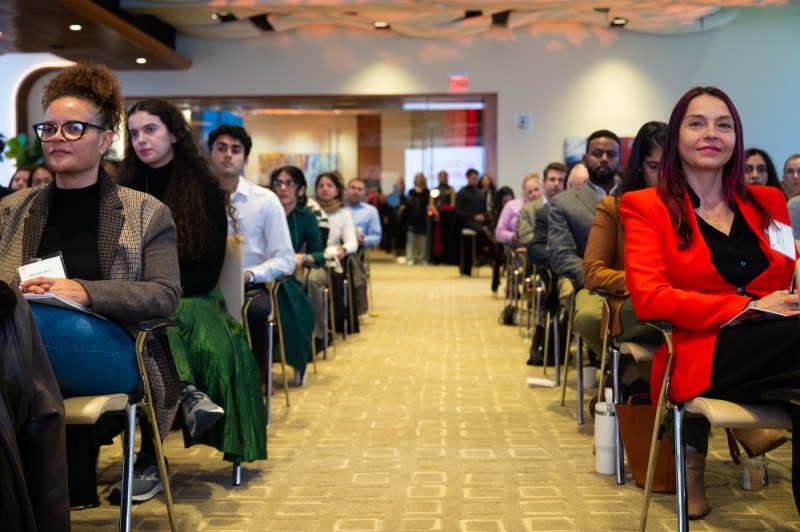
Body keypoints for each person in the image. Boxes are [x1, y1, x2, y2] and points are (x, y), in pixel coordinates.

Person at [0, 63, 182, 507]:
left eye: (73, 128)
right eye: (49, 127)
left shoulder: (145, 212)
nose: (56, 137)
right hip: (20, 352)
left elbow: (166, 295)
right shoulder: (13, 209)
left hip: (114, 352)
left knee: (20, 326)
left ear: (104, 140)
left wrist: (84, 291)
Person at [620, 86, 798, 519]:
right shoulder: (646, 207)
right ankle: (692, 462)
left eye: (724, 124)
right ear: (676, 137)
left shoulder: (768, 201)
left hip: (781, 345)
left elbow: (787, 269)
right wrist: (751, 309)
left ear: (737, 137)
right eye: (696, 123)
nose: (710, 134)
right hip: (704, 350)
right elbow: (649, 298)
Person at [123, 99, 267, 496]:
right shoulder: (120, 189)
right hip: (129, 299)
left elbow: (208, 270)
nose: (140, 140)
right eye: (133, 133)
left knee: (163, 325)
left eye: (150, 129)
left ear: (173, 133)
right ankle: (186, 395)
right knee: (141, 327)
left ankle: (151, 456)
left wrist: (158, 288)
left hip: (192, 298)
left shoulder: (203, 189)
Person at [207, 125, 302, 383]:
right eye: (221, 148)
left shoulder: (265, 200)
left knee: (256, 312)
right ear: (210, 154)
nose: (228, 155)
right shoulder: (198, 197)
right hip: (205, 283)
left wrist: (250, 274)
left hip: (251, 284)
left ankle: (256, 381)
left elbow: (285, 259)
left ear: (245, 159)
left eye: (235, 150)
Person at [0, 272, 70, 531]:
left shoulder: (142, 228)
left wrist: (87, 292)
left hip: (107, 331)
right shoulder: (14, 229)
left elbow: (164, 294)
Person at [548, 130, 621, 363]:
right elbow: (562, 255)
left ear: (619, 159)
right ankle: (617, 368)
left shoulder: (637, 195)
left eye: (611, 154)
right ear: (585, 159)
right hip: (591, 284)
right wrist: (599, 278)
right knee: (588, 318)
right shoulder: (564, 202)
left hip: (635, 281)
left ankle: (629, 375)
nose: (604, 159)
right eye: (597, 153)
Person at [309, 171, 361, 335]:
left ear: (337, 190)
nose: (324, 189)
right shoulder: (309, 210)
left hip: (332, 258)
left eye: (329, 185)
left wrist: (343, 249)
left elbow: (352, 242)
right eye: (321, 186)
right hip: (310, 255)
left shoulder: (343, 214)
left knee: (319, 278)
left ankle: (324, 328)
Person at [516, 162, 566, 248]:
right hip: (539, 257)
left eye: (560, 180)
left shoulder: (569, 207)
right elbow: (524, 237)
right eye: (552, 179)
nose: (556, 183)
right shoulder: (527, 209)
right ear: (544, 182)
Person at [455, 168, 488, 275]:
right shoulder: (461, 193)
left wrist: (483, 216)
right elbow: (458, 212)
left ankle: (488, 256)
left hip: (479, 221)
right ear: (468, 178)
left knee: (491, 231)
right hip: (466, 221)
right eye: (473, 178)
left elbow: (484, 210)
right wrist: (474, 217)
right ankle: (480, 255)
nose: (475, 180)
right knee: (481, 232)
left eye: (476, 178)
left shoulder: (480, 193)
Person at [489, 185, 515, 293]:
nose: (507, 204)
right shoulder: (495, 213)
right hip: (498, 244)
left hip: (513, 242)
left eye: (509, 200)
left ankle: (512, 286)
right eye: (504, 201)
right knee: (500, 255)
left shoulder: (516, 210)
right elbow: (496, 234)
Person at [344, 177, 382, 248]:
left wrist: (364, 240)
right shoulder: (338, 208)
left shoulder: (371, 211)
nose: (356, 192)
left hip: (358, 252)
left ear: (364, 192)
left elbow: (376, 236)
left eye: (359, 189)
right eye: (353, 188)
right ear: (346, 190)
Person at [429, 170, 457, 264]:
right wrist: (437, 213)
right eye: (441, 176)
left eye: (444, 176)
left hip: (448, 217)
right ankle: (437, 259)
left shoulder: (451, 189)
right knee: (437, 239)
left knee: (448, 237)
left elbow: (453, 204)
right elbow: (432, 204)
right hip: (437, 217)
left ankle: (447, 259)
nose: (443, 178)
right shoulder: (435, 190)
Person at [404, 172, 430, 265]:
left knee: (423, 239)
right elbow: (408, 203)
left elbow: (427, 203)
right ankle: (411, 257)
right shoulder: (411, 191)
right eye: (417, 177)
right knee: (411, 238)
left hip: (423, 217)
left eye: (420, 177)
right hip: (412, 217)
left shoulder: (427, 191)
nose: (419, 179)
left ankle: (423, 258)